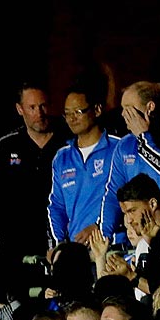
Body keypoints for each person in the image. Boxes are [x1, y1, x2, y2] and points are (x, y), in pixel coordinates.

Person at [107, 80, 160, 238]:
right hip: (144, 233)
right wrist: (105, 234)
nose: (123, 115)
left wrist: (143, 136)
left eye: (128, 109)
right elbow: (113, 192)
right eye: (122, 109)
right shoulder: (124, 145)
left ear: (150, 107)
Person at [48, 81, 120, 245]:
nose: (72, 119)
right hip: (77, 253)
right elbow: (57, 206)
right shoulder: (62, 157)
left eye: (78, 112)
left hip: (114, 249)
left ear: (97, 110)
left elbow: (128, 199)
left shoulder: (118, 148)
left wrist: (100, 227)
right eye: (67, 113)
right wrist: (60, 244)